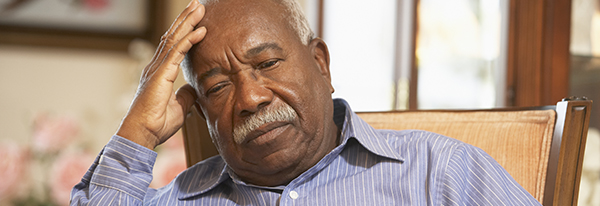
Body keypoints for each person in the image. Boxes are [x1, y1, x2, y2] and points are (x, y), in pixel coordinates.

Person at [70, 0, 541, 205]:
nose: (251, 99)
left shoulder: (441, 175)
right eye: (217, 88)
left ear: (321, 63)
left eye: (269, 64)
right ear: (201, 111)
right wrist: (138, 132)